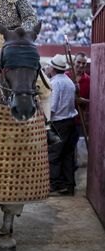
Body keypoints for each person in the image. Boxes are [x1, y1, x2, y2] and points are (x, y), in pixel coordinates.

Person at [48, 54, 78, 195]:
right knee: (67, 155)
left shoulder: (54, 83)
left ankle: (55, 186)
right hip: (70, 122)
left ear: (53, 68)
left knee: (54, 155)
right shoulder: (69, 81)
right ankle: (69, 185)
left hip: (58, 123)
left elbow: (52, 108)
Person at [65, 52, 90, 167]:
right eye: (78, 62)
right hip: (64, 118)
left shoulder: (89, 80)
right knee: (64, 148)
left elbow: (94, 101)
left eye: (83, 64)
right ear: (73, 62)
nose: (80, 65)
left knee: (76, 147)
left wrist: (84, 101)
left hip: (79, 120)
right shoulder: (65, 76)